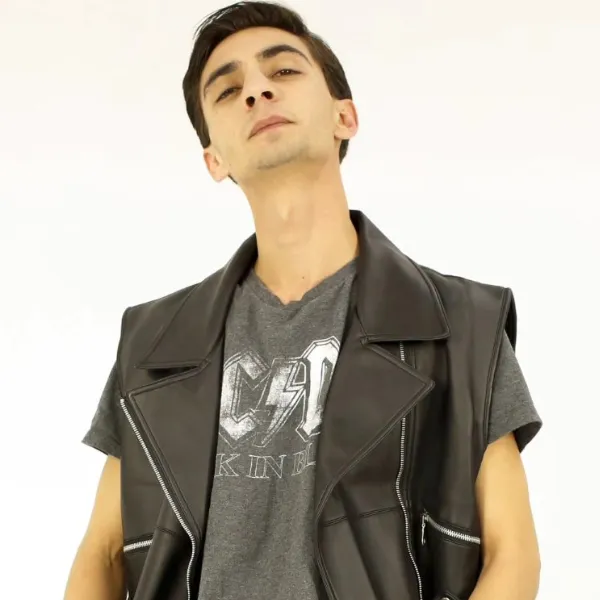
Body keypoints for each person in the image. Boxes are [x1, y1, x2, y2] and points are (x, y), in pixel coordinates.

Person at [64, 2, 542, 599]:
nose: (256, 91)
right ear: (214, 160)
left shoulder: (461, 326)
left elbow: (512, 554)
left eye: (283, 71)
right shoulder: (154, 345)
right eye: (228, 90)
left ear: (345, 116)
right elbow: (103, 553)